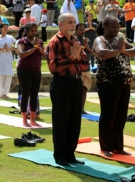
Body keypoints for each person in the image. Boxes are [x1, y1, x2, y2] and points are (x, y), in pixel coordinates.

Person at [93, 16, 135, 157]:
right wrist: (119, 50)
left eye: (118, 27)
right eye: (113, 27)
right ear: (105, 27)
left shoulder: (120, 39)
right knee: (108, 115)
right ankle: (105, 147)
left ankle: (118, 146)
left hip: (124, 82)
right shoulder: (100, 40)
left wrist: (124, 50)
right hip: (108, 82)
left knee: (121, 115)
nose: (116, 29)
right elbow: (102, 53)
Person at [46, 13, 89, 166]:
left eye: (74, 22)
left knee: (74, 120)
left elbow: (85, 64)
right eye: (69, 22)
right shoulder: (55, 42)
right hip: (61, 83)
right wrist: (72, 57)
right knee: (61, 120)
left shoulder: (76, 41)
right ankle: (60, 155)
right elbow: (53, 67)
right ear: (60, 24)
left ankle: (70, 154)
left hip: (76, 83)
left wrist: (76, 57)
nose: (73, 25)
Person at [16, 22, 45, 125]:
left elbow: (45, 54)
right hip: (24, 71)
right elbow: (21, 54)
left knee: (34, 95)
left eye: (35, 31)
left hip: (36, 71)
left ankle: (32, 120)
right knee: (25, 94)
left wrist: (38, 47)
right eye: (31, 31)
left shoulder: (39, 42)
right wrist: (33, 48)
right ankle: (24, 120)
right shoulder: (22, 42)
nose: (34, 33)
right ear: (26, 31)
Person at [75, 23, 94, 114]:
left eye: (83, 29)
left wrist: (86, 46)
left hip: (86, 68)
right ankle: (76, 108)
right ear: (76, 30)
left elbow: (92, 53)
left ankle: (82, 109)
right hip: (77, 69)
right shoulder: (74, 40)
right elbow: (75, 53)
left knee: (84, 90)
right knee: (76, 91)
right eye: (80, 29)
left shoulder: (86, 40)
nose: (82, 31)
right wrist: (83, 47)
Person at [0, 24, 16, 98]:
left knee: (8, 74)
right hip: (0, 57)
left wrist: (8, 49)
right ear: (0, 29)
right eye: (4, 27)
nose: (6, 29)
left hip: (8, 57)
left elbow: (16, 46)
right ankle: (0, 93)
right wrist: (2, 49)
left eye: (7, 27)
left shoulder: (10, 37)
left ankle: (5, 93)